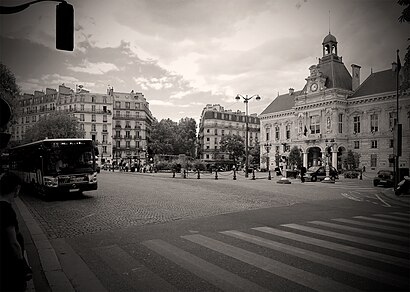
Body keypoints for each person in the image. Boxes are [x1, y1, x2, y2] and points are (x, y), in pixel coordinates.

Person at [0, 172, 32, 292]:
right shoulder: (6, 210)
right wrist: (22, 265)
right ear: (16, 188)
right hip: (9, 262)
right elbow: (13, 243)